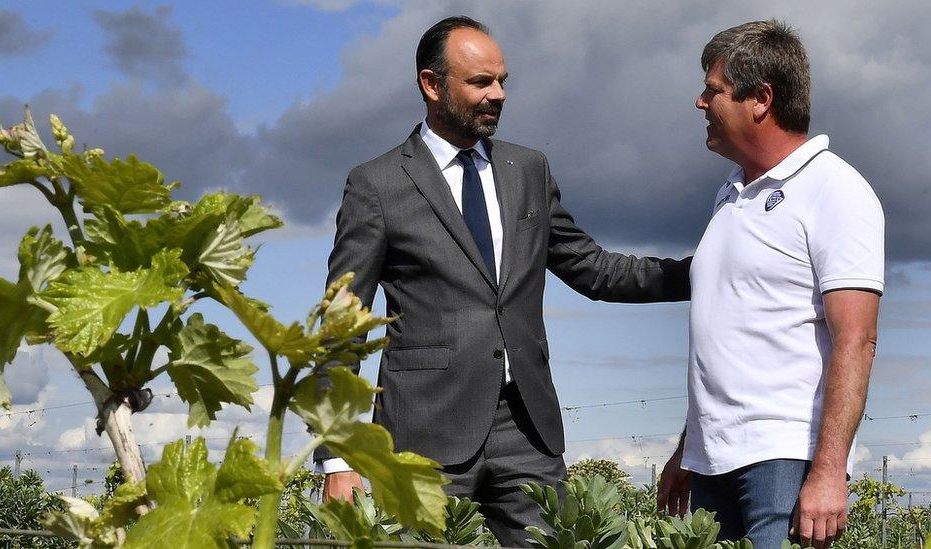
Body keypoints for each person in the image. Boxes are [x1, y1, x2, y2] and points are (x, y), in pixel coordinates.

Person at [314, 15, 692, 545]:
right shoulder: (377, 185)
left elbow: (594, 269)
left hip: (527, 429)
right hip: (421, 433)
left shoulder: (528, 170)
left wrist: (707, 272)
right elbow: (343, 320)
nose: (498, 95)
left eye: (502, 81)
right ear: (431, 84)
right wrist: (336, 456)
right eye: (480, 83)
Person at [657, 20, 884, 549]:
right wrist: (687, 451)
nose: (700, 103)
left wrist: (828, 473)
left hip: (783, 461)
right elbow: (731, 337)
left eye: (712, 91)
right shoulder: (730, 196)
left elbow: (857, 340)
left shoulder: (835, 189)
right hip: (715, 462)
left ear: (760, 99)